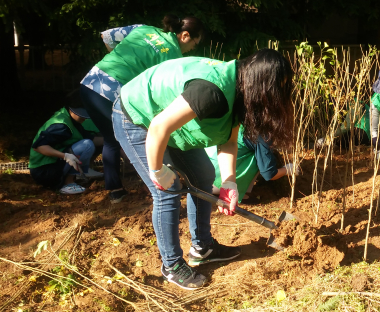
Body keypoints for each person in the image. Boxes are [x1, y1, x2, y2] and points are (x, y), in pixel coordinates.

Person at [112, 50, 293, 290]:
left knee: (204, 176)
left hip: (170, 125)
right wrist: (157, 171)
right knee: (167, 193)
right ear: (261, 84)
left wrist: (229, 183)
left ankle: (202, 247)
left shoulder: (240, 89)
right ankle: (172, 265)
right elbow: (158, 126)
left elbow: (228, 140)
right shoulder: (211, 92)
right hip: (138, 118)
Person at [80, 16, 203, 203]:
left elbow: (107, 37)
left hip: (91, 82)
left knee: (111, 139)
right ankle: (160, 187)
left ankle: (115, 191)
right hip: (113, 91)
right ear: (185, 35)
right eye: (194, 44)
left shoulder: (143, 29)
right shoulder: (173, 54)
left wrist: (122, 60)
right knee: (144, 135)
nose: (192, 49)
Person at [206, 126, 299, 204]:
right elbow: (269, 174)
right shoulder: (263, 134)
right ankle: (243, 194)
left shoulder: (241, 119)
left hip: (204, 169)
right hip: (217, 183)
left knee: (254, 152)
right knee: (261, 158)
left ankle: (244, 191)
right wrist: (287, 169)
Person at [29, 106, 101, 194]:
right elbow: (38, 147)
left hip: (54, 164)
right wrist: (65, 156)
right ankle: (68, 183)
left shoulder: (72, 120)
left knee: (90, 143)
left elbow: (93, 139)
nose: (84, 118)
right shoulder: (61, 125)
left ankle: (81, 173)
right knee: (86, 145)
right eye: (82, 115)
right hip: (44, 171)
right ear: (72, 111)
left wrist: (115, 140)